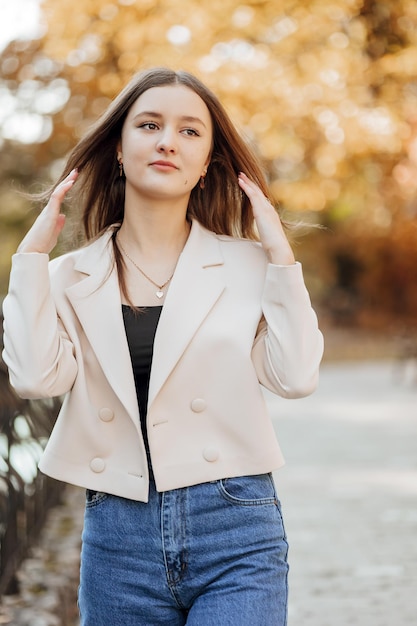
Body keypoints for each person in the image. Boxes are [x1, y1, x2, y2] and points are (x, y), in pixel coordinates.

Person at [2, 67, 324, 625]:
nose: (168, 141)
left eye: (190, 131)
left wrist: (280, 256)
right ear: (121, 149)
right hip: (116, 539)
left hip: (237, 529)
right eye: (149, 124)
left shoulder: (249, 266)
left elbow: (295, 377)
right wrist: (30, 261)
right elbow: (34, 378)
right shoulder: (68, 276)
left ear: (206, 165)